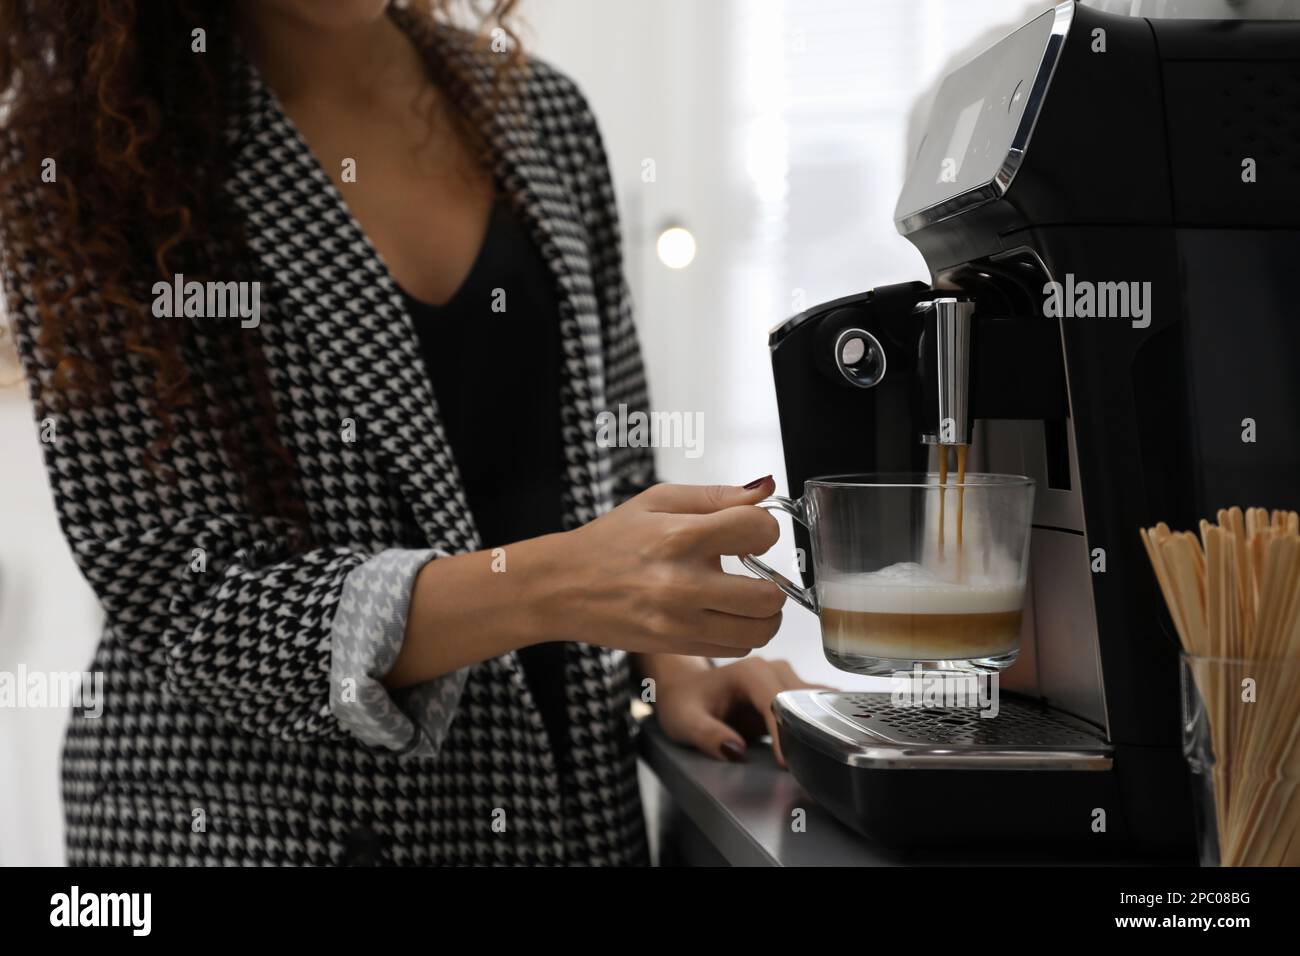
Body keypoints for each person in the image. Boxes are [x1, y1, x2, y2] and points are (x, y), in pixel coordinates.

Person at [0, 0, 821, 866]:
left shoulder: (543, 116)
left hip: (565, 814)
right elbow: (187, 600)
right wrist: (548, 585)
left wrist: (673, 668)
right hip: (256, 830)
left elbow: (607, 456)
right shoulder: (89, 159)